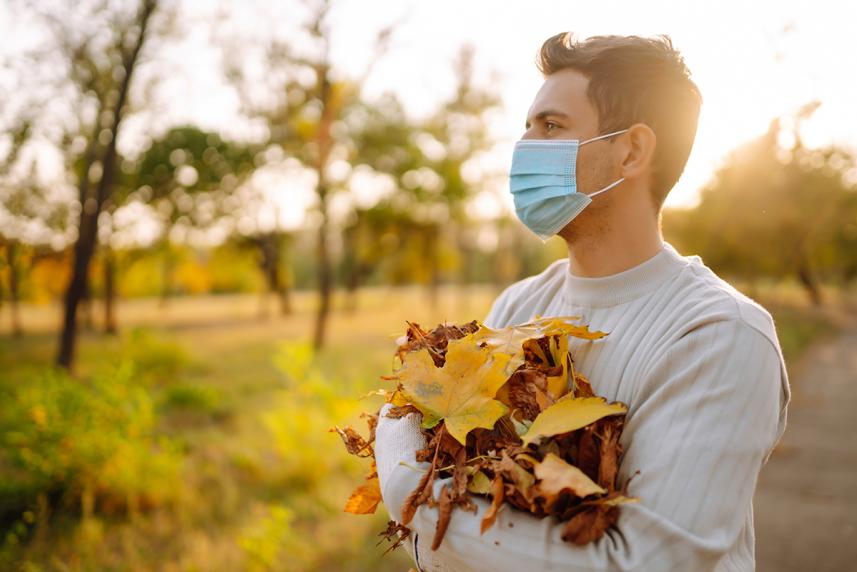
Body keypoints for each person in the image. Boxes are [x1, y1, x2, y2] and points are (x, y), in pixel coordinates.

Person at [374, 32, 790, 571]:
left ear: (631, 151)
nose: (524, 148)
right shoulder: (518, 306)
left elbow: (642, 562)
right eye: (526, 127)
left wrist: (414, 496)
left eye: (550, 127)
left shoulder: (719, 335)